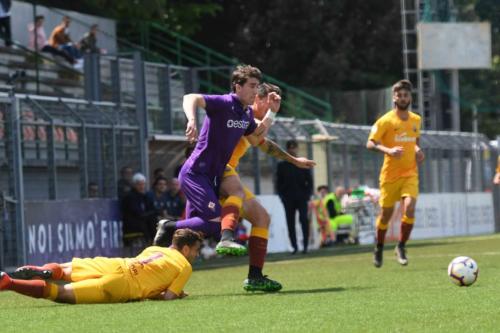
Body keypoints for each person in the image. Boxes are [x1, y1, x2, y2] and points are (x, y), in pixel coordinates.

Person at [153, 65, 277, 261]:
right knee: (216, 220)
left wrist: (271, 114)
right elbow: (190, 97)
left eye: (257, 86)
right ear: (237, 86)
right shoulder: (224, 102)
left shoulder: (246, 114)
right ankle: (169, 226)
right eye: (252, 86)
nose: (255, 91)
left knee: (194, 234)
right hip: (195, 173)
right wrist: (192, 120)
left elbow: (255, 139)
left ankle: (162, 264)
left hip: (213, 177)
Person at [0, 229, 202, 304]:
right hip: (123, 285)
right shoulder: (185, 266)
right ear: (185, 249)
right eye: (195, 250)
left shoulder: (154, 248)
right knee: (60, 293)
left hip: (117, 264)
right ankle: (9, 283)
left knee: (64, 269)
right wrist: (165, 293)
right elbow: (168, 297)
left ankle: (47, 271)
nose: (196, 254)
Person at [366, 79, 425, 268]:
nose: (402, 98)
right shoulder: (385, 120)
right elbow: (370, 143)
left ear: (410, 97)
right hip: (390, 175)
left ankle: (401, 246)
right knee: (385, 216)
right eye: (399, 95)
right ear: (394, 97)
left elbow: (414, 141)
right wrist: (389, 151)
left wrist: (416, 150)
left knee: (409, 207)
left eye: (406, 95)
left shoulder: (416, 120)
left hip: (410, 173)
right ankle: (379, 246)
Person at [276, 140, 313, 254]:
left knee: (304, 220)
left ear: (297, 149)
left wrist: (307, 195)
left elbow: (309, 181)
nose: (292, 150)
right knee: (290, 223)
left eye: (294, 147)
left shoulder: (302, 163)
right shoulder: (281, 165)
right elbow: (278, 182)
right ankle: (295, 247)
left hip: (302, 198)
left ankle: (305, 246)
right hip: (288, 199)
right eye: (290, 148)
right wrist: (282, 196)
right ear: (287, 149)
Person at [121, 173, 158, 242]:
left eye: (143, 184)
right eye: (139, 184)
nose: (142, 187)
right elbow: (137, 213)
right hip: (133, 224)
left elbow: (152, 208)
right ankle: (154, 242)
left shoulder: (144, 196)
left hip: (143, 221)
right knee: (151, 221)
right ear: (134, 185)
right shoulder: (130, 197)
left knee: (156, 220)